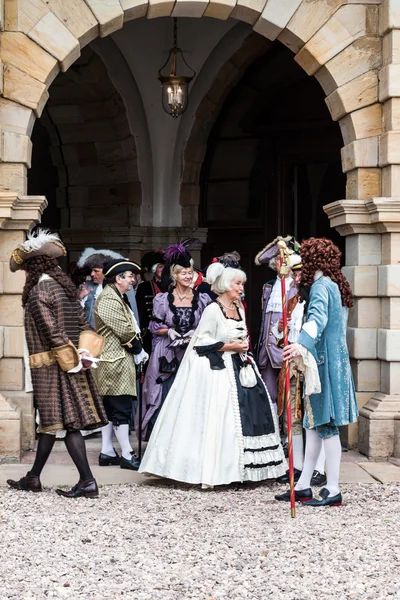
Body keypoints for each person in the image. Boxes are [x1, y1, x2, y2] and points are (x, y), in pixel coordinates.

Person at [139, 261, 286, 486]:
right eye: (238, 284)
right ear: (226, 285)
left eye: (242, 284)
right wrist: (231, 346)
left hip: (241, 366)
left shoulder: (238, 308)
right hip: (216, 370)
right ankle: (216, 471)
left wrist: (242, 347)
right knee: (219, 418)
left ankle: (243, 469)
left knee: (245, 417)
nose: (241, 288)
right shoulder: (212, 309)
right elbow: (202, 342)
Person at [7, 229, 108, 498]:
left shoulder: (39, 290)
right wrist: (85, 355)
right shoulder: (63, 288)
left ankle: (87, 481)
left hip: (52, 367)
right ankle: (33, 478)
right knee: (52, 424)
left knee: (65, 424)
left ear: (32, 267)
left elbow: (52, 332)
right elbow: (85, 325)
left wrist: (71, 360)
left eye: (26, 268)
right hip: (70, 363)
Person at [275, 238, 358, 507]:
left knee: (326, 426)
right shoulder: (331, 284)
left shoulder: (323, 286)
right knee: (313, 426)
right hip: (325, 362)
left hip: (323, 365)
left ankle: (333, 489)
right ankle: (303, 485)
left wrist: (299, 345)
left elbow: (318, 320)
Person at [137, 244, 211, 441]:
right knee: (164, 396)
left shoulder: (202, 299)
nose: (188, 276)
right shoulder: (162, 299)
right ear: (175, 275)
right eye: (184, 273)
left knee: (191, 398)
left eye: (190, 273)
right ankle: (162, 443)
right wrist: (169, 331)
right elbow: (153, 326)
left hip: (192, 354)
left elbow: (210, 325)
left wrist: (196, 333)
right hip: (167, 354)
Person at [95, 259, 148, 470]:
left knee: (111, 408)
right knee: (120, 408)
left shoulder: (117, 296)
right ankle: (127, 454)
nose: (133, 280)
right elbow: (124, 330)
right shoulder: (109, 298)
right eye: (129, 276)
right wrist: (138, 349)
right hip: (114, 361)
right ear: (118, 279)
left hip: (114, 361)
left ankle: (107, 451)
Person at [255, 236, 300, 416]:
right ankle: (272, 432)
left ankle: (288, 436)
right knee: (269, 393)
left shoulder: (297, 287)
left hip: (285, 348)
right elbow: (261, 258)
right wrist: (277, 246)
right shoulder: (268, 287)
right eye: (279, 260)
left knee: (288, 395)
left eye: (285, 260)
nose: (281, 263)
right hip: (266, 347)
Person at [136, 250, 165, 356]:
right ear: (154, 269)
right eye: (160, 267)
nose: (163, 270)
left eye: (165, 267)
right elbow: (140, 311)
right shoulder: (144, 287)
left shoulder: (173, 287)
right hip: (150, 333)